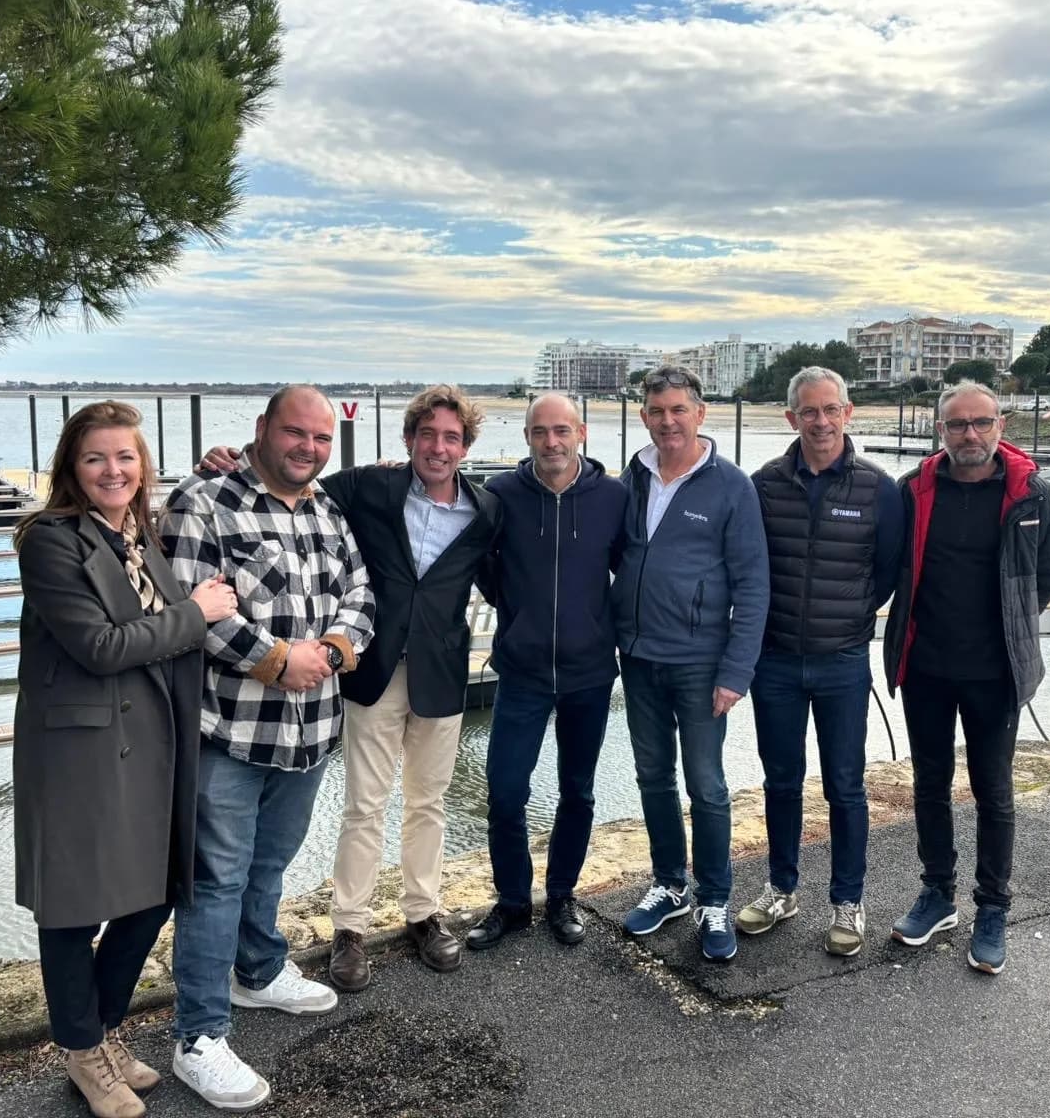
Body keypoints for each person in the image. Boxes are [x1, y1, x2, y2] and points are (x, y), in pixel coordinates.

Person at [197, 386, 502, 989]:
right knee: (364, 804)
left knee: (429, 803)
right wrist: (226, 460)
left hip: (442, 672)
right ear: (409, 439)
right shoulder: (366, 487)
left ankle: (423, 913)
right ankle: (350, 928)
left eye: (451, 438)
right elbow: (284, 486)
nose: (438, 448)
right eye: (428, 435)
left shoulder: (485, 509)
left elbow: (501, 578)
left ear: (466, 447)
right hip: (372, 669)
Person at [14, 401, 238, 1118]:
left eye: (125, 457)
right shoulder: (50, 542)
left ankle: (100, 1031)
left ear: (143, 465)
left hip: (151, 744)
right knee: (75, 909)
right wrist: (196, 613)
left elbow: (152, 617)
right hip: (79, 750)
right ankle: (83, 1052)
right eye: (95, 458)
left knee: (154, 892)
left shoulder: (142, 534)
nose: (113, 470)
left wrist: (219, 470)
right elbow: (102, 647)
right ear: (71, 470)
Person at [160, 386, 375, 1111]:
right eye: (295, 433)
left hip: (311, 729)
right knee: (215, 877)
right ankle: (198, 1034)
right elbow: (187, 605)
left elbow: (360, 592)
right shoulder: (204, 500)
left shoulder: (326, 509)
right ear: (261, 429)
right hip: (229, 727)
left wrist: (339, 648)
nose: (308, 448)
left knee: (270, 863)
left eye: (320, 439)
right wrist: (275, 659)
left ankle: (257, 969)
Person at [882, 381, 1050, 975]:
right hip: (927, 667)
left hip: (995, 672)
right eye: (958, 424)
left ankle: (992, 908)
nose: (970, 434)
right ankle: (938, 893)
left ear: (1000, 425)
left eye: (981, 423)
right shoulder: (913, 491)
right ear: (941, 431)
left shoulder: (1033, 494)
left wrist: (1010, 625)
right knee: (929, 787)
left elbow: (1048, 574)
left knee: (994, 792)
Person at [739, 367, 904, 956]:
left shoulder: (877, 489)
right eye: (809, 411)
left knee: (846, 786)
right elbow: (749, 568)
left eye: (831, 409)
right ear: (791, 419)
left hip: (842, 662)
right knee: (780, 780)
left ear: (848, 413)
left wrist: (848, 617)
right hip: (775, 662)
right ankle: (782, 888)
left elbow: (885, 574)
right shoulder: (762, 486)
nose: (821, 421)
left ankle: (847, 901)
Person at [611, 364, 769, 963]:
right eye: (656, 411)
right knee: (652, 776)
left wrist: (736, 672)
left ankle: (715, 899)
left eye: (679, 409)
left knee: (707, 785)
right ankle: (670, 884)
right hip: (639, 656)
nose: (667, 421)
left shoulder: (731, 486)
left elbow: (754, 585)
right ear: (644, 415)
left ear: (700, 413)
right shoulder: (634, 477)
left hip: (702, 662)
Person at [466, 392, 627, 952]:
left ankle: (561, 895)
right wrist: (519, 619)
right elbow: (485, 569)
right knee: (506, 790)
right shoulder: (501, 495)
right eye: (540, 432)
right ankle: (512, 901)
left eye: (562, 430)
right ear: (528, 436)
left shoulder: (613, 497)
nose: (551, 442)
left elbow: (626, 572)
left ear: (581, 432)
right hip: (522, 672)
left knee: (577, 791)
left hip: (589, 673)